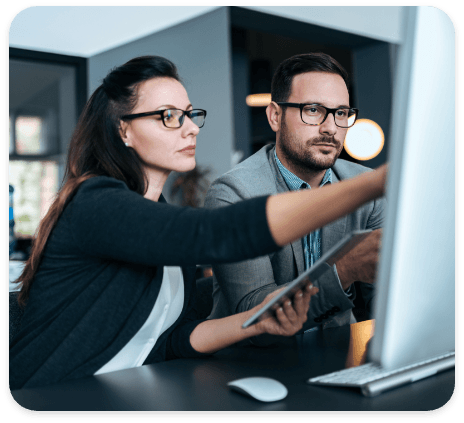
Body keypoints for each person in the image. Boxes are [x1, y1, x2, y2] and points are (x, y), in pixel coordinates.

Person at [9, 56, 387, 390]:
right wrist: (374, 183)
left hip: (124, 388)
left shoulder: (158, 209)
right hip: (50, 394)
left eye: (189, 114)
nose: (191, 128)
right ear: (123, 129)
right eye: (169, 117)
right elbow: (217, 233)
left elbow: (170, 341)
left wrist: (258, 321)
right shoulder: (95, 203)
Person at [204, 53, 386, 344]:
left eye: (341, 113)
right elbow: (255, 313)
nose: (330, 128)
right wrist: (345, 268)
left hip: (338, 352)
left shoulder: (367, 188)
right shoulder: (234, 193)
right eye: (313, 110)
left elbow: (387, 300)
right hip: (254, 362)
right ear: (275, 116)